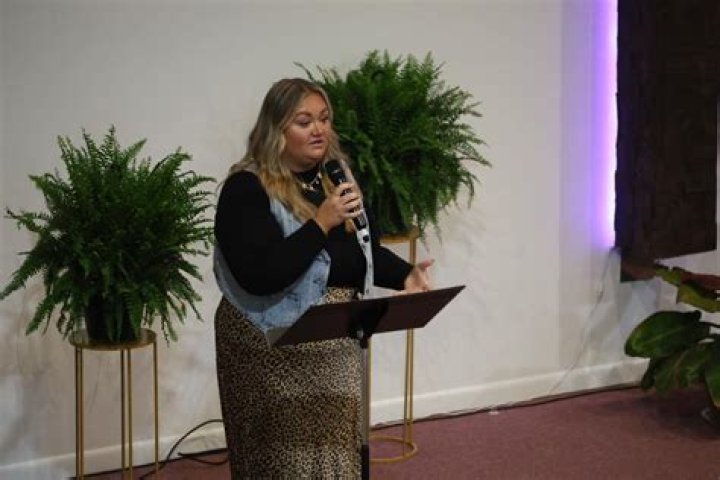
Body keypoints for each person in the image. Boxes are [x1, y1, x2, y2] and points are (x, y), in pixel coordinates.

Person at [213, 77, 432, 479]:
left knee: (336, 459)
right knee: (288, 463)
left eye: (324, 119)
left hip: (332, 341)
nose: (319, 129)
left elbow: (358, 252)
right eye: (304, 121)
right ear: (276, 130)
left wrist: (405, 275)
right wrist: (320, 223)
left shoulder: (334, 178)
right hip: (270, 345)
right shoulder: (246, 188)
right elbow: (260, 275)